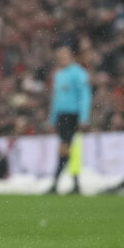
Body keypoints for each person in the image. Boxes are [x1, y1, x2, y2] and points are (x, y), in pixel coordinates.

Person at [45, 44, 91, 195]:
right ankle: (74, 184)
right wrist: (52, 120)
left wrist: (83, 117)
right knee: (68, 150)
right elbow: (55, 99)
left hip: (73, 115)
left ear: (71, 56)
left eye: (64, 55)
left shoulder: (78, 73)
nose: (62, 58)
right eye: (60, 56)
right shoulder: (58, 75)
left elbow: (85, 96)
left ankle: (56, 183)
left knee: (67, 149)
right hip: (61, 116)